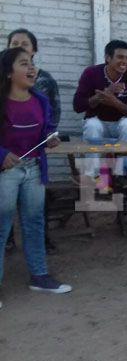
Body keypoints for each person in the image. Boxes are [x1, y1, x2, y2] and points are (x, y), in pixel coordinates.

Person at [0, 47, 73, 310]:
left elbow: (46, 132)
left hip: (33, 169)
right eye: (23, 64)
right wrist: (1, 154)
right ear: (9, 72)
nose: (31, 69)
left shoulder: (40, 100)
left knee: (34, 223)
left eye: (32, 63)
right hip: (6, 172)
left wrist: (49, 140)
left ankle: (40, 277)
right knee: (2, 226)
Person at [6, 28, 62, 254]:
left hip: (33, 156)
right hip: (4, 158)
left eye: (25, 44)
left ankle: (42, 244)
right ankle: (7, 239)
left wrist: (48, 136)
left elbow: (54, 112)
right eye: (14, 43)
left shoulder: (45, 80)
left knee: (35, 208)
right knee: (4, 207)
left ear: (34, 50)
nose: (19, 46)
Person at [73, 40, 127, 189]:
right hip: (98, 122)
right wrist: (103, 95)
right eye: (120, 57)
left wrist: (114, 102)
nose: (124, 62)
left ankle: (121, 174)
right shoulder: (91, 73)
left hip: (119, 123)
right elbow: (77, 106)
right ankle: (93, 175)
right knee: (92, 125)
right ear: (108, 58)